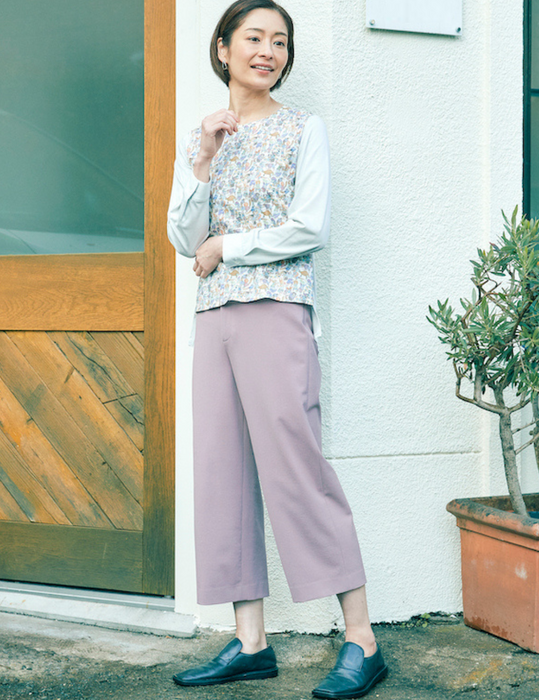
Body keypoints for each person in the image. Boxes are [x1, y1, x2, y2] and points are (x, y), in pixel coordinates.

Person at [167, 1, 388, 697]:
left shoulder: (302, 128)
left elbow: (308, 226)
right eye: (254, 38)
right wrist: (204, 159)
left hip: (275, 310)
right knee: (222, 473)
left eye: (280, 42)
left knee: (296, 467)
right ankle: (250, 640)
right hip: (215, 317)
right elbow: (184, 239)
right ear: (223, 48)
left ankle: (361, 638)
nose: (268, 51)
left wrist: (228, 247)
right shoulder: (202, 136)